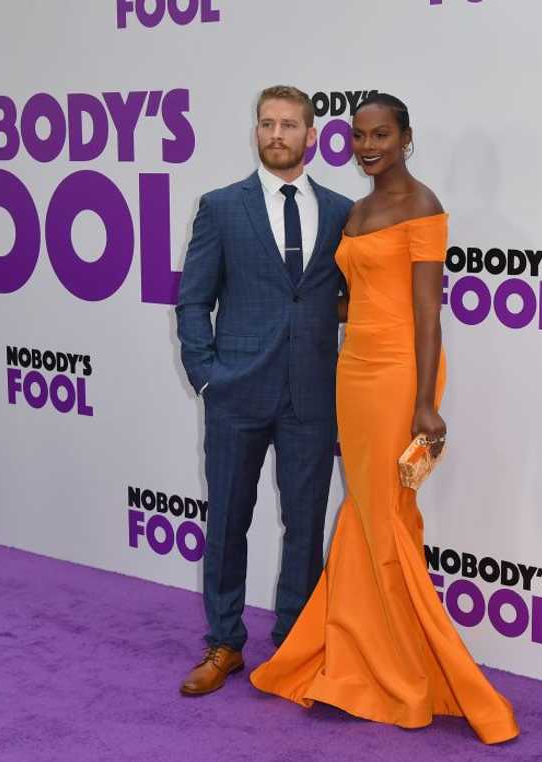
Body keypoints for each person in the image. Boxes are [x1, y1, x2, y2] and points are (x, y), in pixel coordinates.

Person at [249, 93, 519, 745]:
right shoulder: (359, 210)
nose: (367, 147)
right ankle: (359, 657)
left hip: (401, 374)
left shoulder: (422, 206)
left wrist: (426, 401)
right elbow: (357, 297)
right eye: (358, 136)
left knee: (387, 516)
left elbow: (428, 314)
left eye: (381, 135)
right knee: (369, 512)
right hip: (355, 370)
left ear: (405, 138)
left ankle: (409, 673)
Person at [175, 85, 353, 696]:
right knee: (227, 522)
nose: (277, 134)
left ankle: (295, 647)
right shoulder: (222, 207)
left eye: (289, 125)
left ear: (312, 136)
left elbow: (349, 295)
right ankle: (224, 642)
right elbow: (193, 299)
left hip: (312, 395)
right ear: (256, 131)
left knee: (305, 526)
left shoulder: (341, 212)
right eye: (267, 123)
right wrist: (205, 374)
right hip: (236, 393)